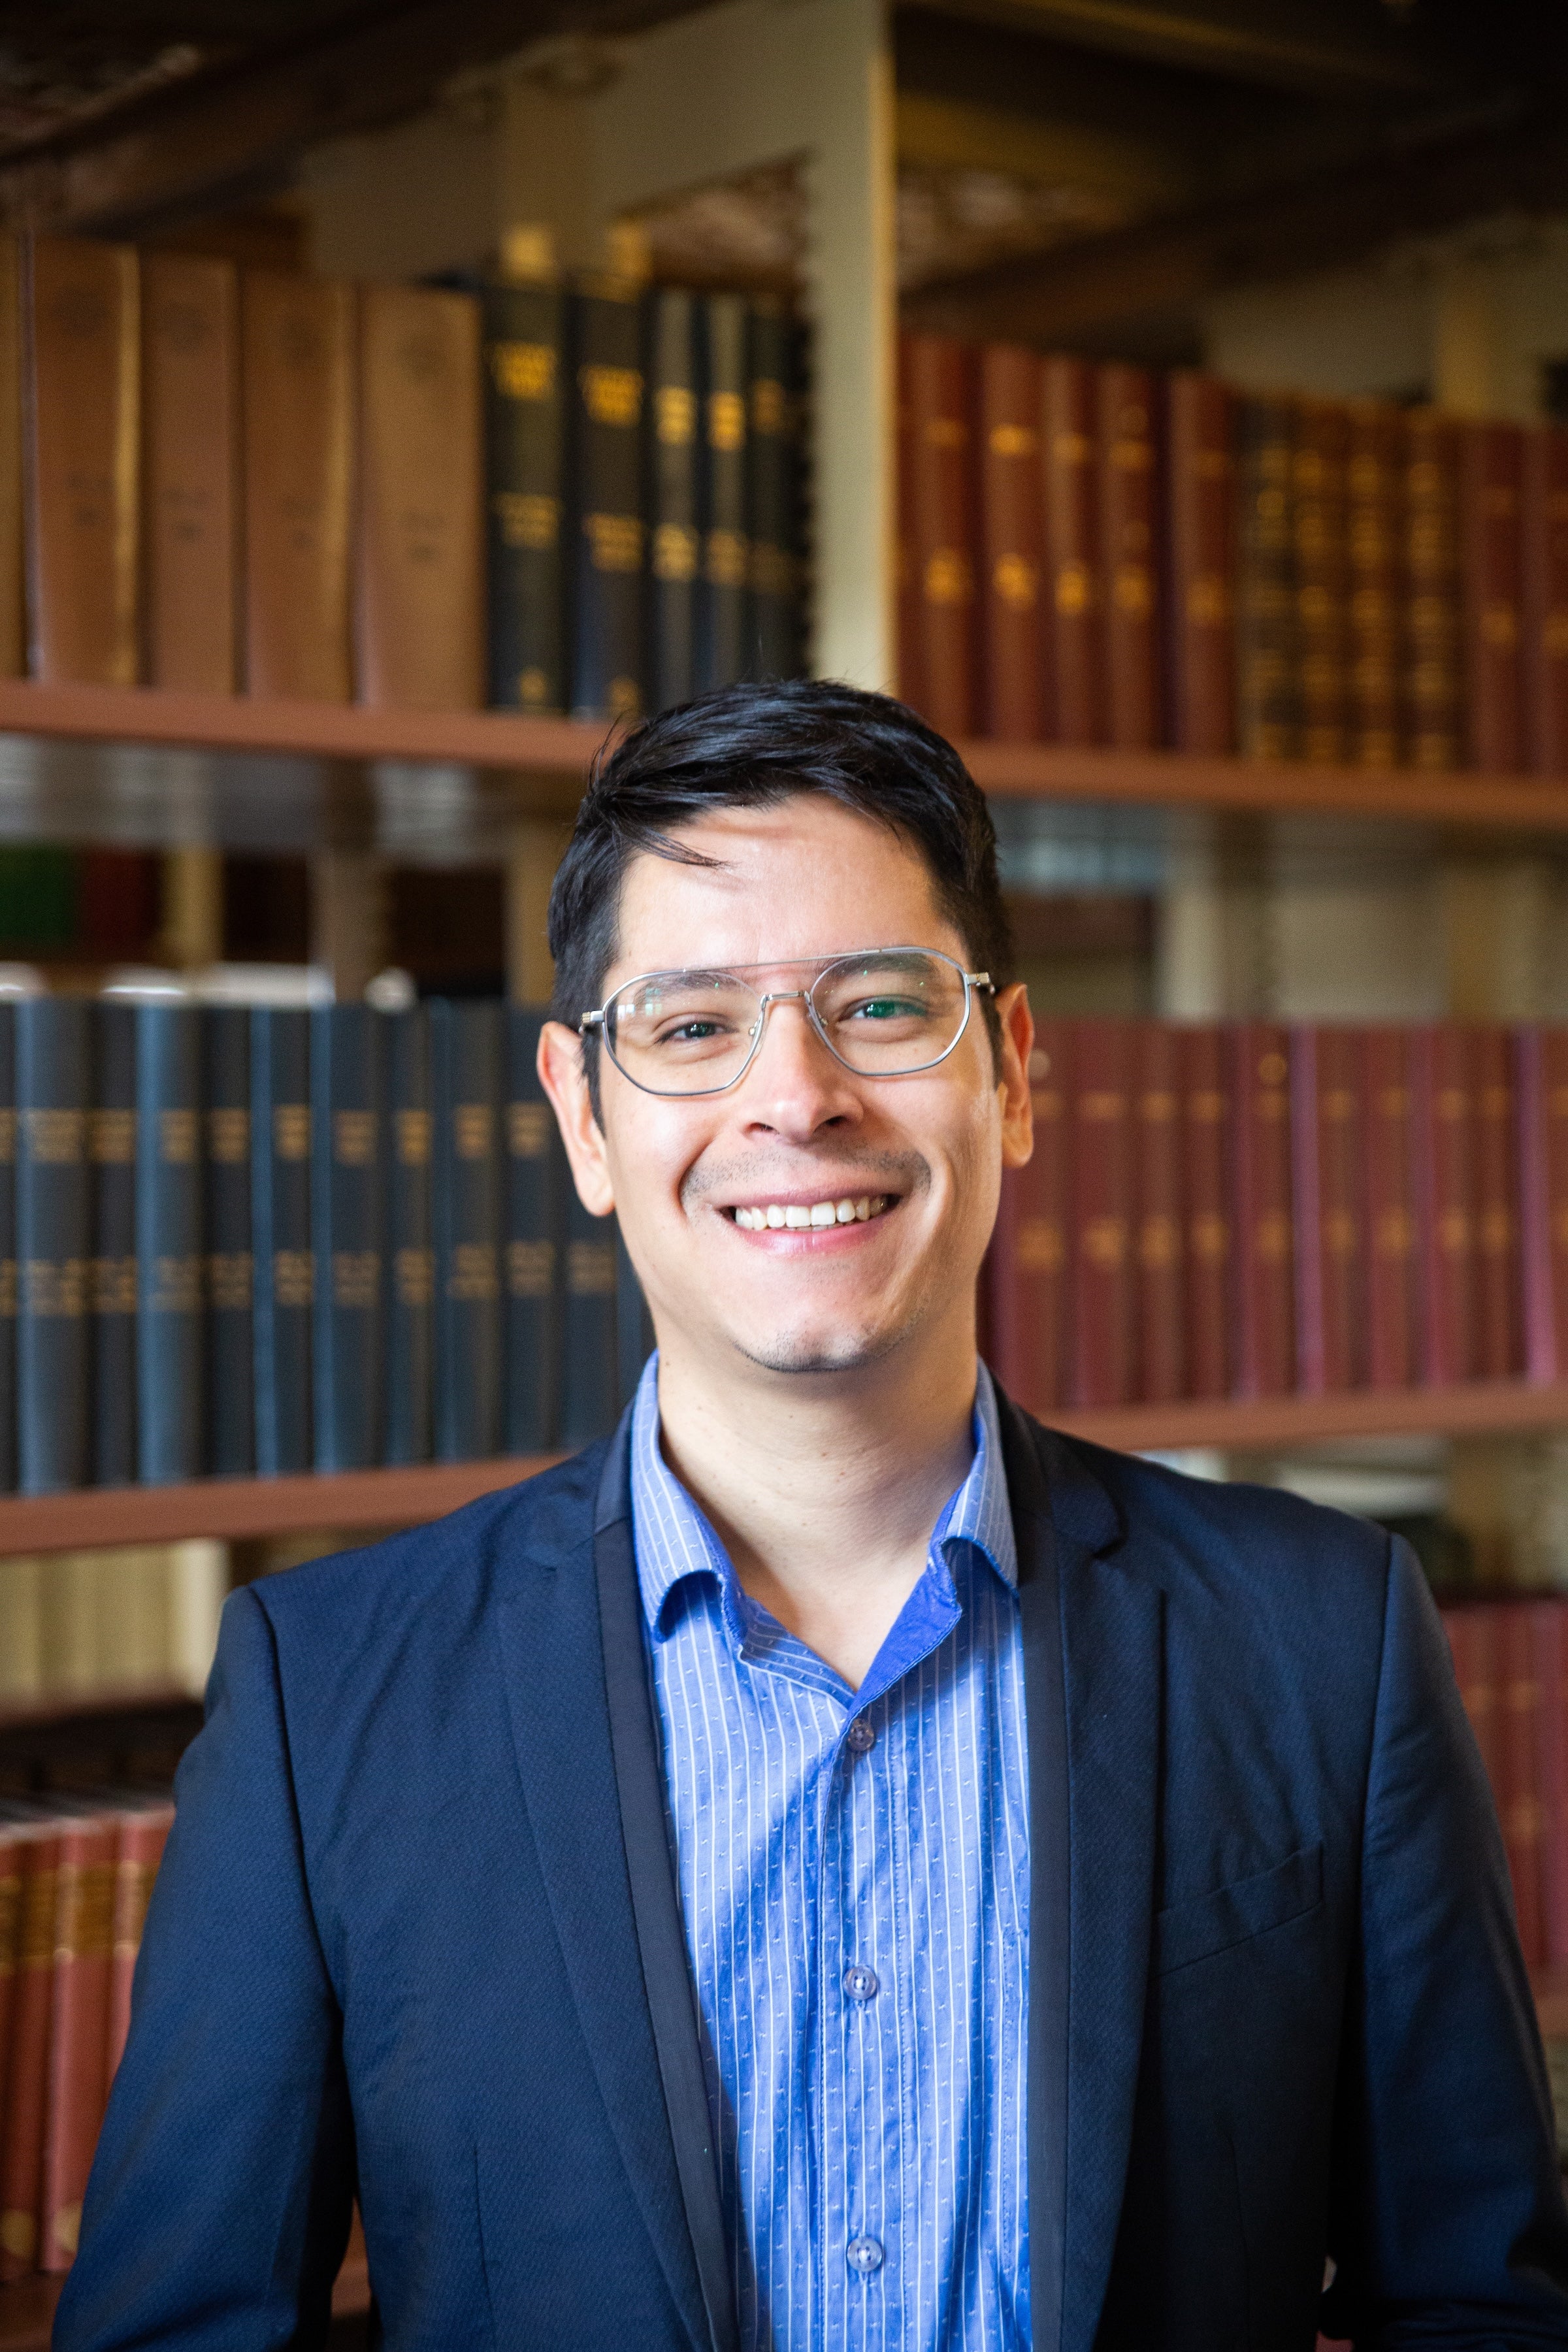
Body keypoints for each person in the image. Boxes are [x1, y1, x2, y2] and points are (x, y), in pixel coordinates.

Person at [58, 680, 1568, 2350]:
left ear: (1010, 1072)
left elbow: (1479, 2304)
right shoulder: (330, 1696)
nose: (798, 1097)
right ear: (584, 1115)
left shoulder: (1319, 1638)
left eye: (878, 1006)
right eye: (696, 1025)